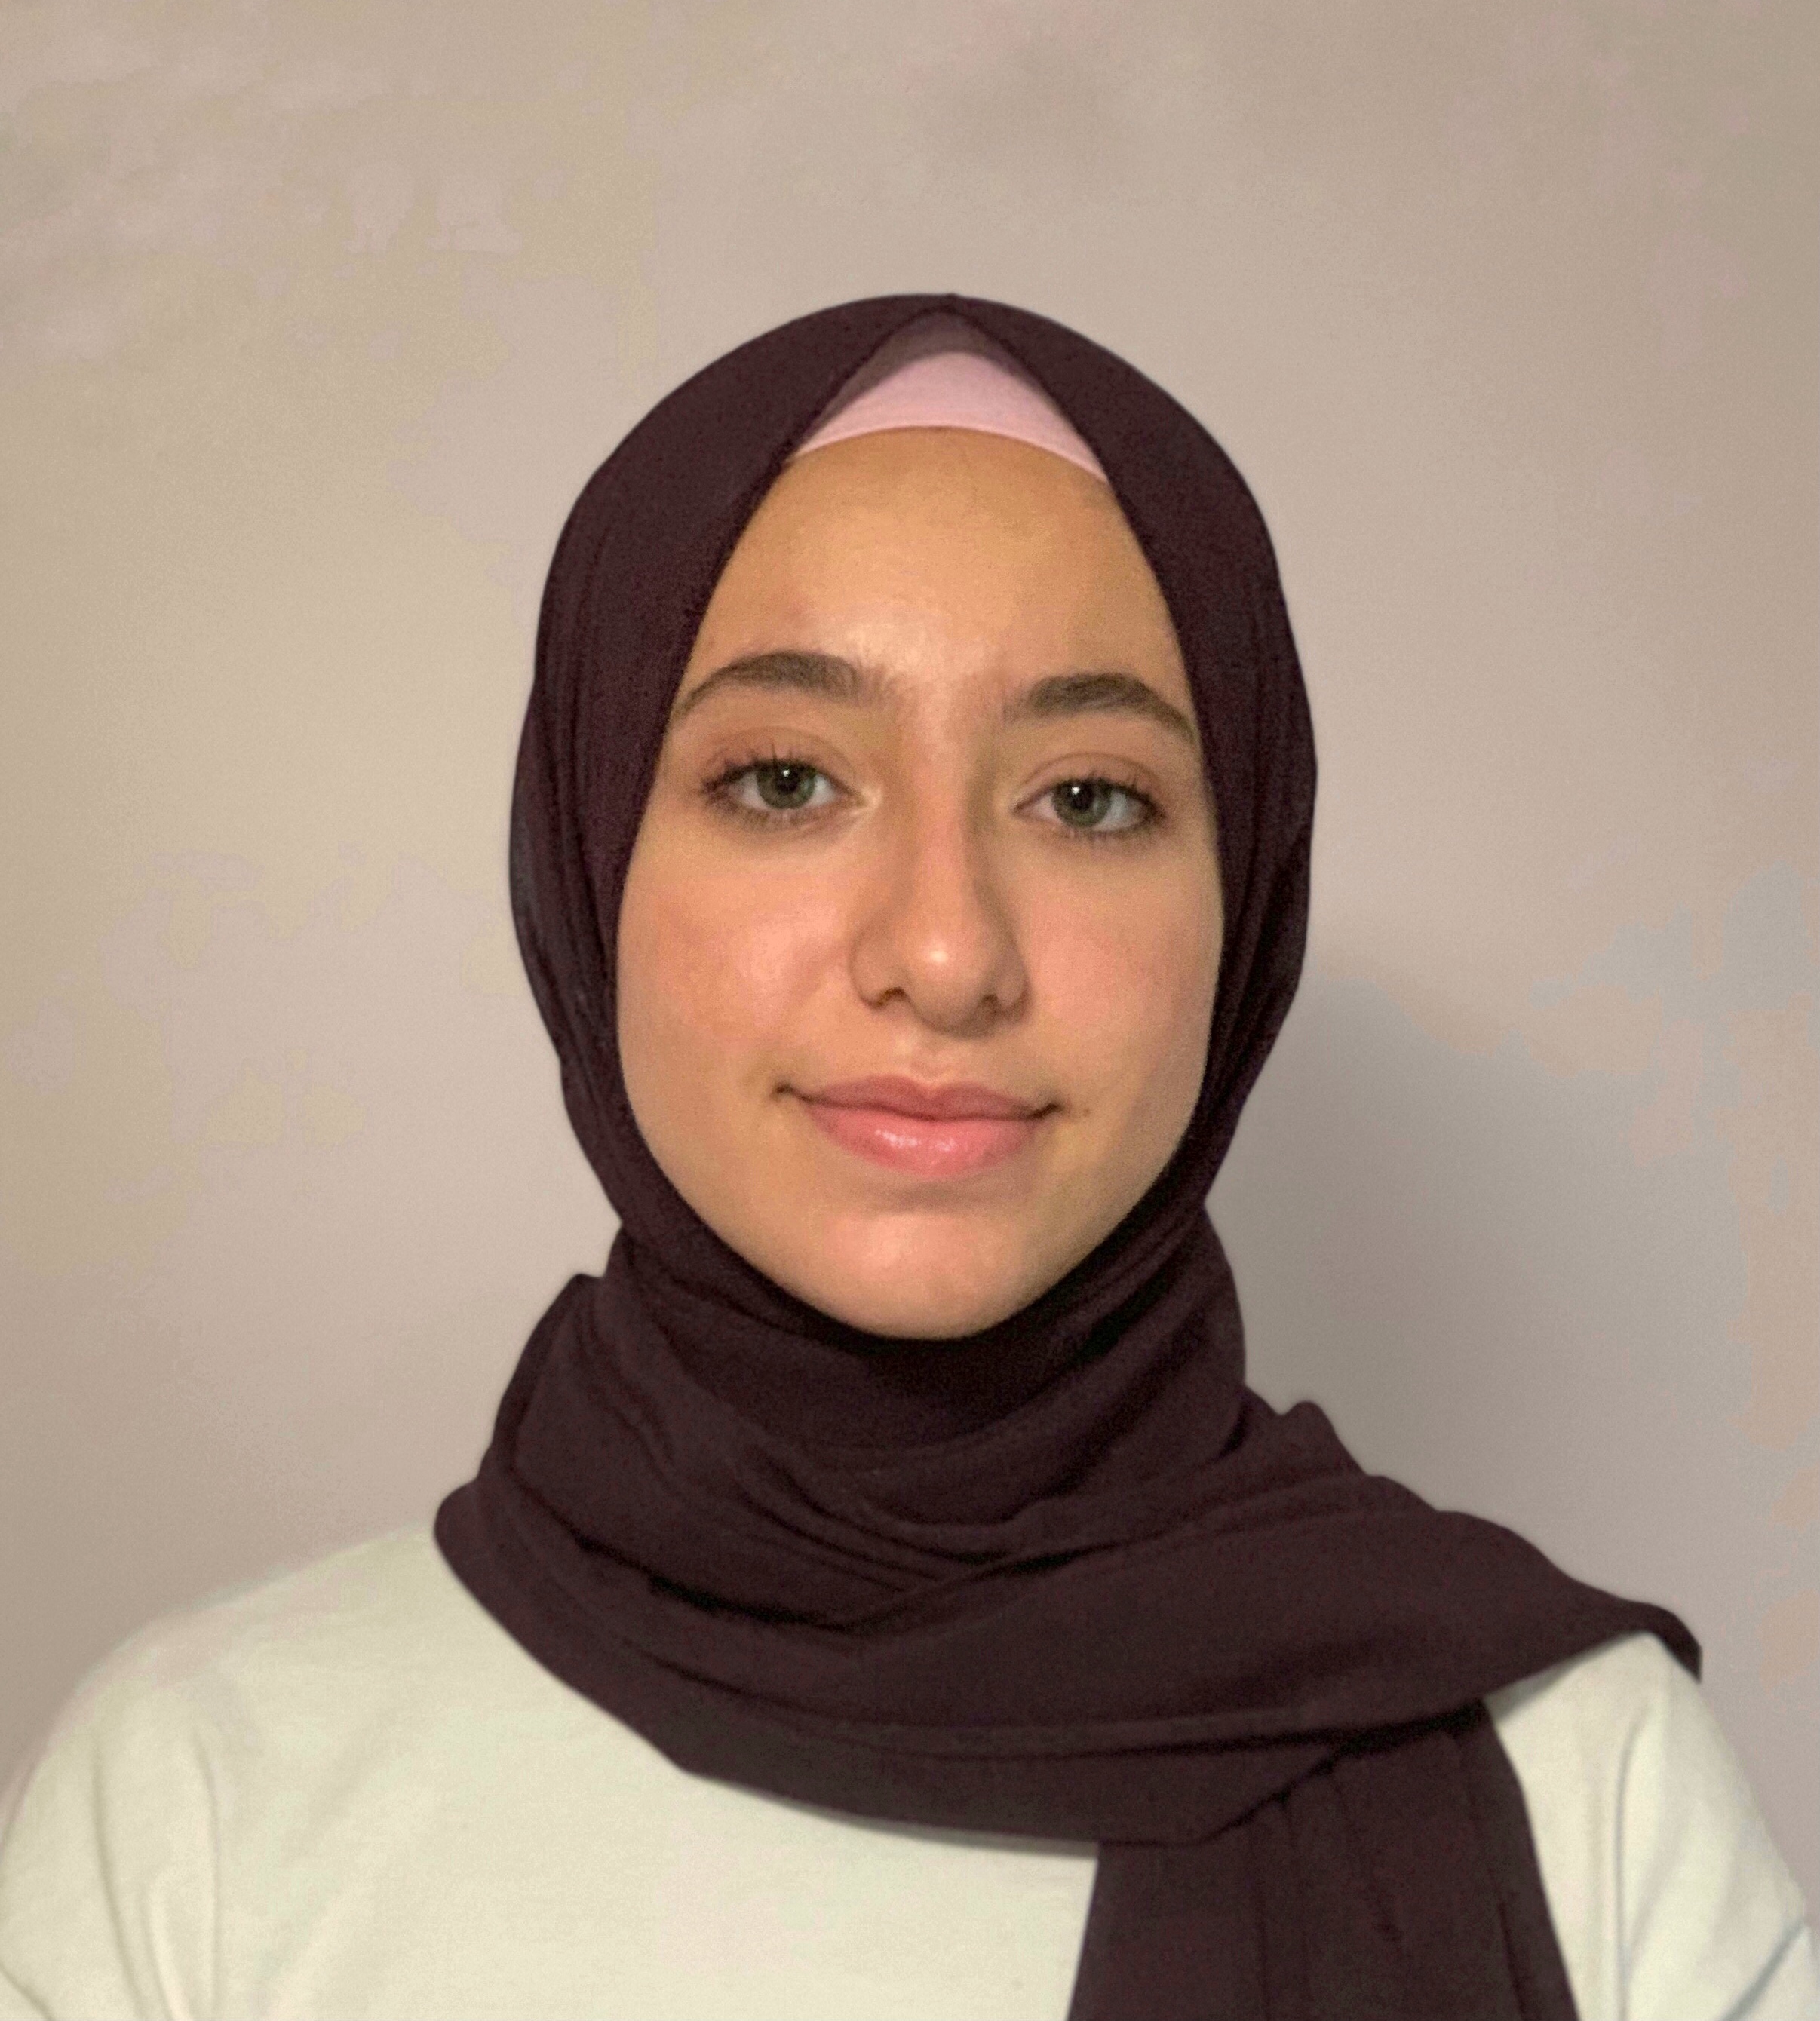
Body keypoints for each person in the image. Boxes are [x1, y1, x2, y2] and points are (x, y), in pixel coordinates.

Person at [0, 296, 1812, 2020]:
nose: (946, 954)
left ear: (1242, 895)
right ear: (589, 860)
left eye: (1088, 797)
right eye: (787, 780)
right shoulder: (207, 1798)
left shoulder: (1580, 1778)